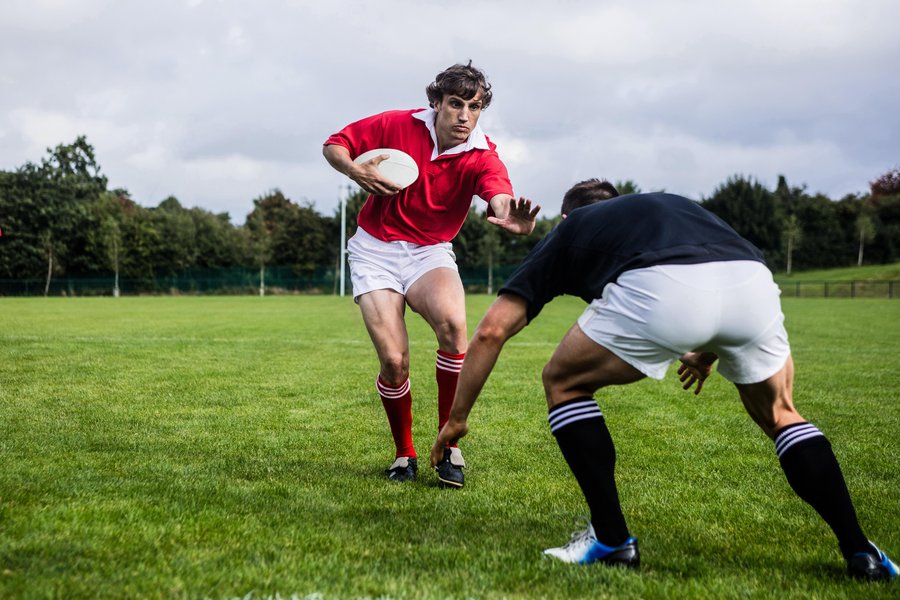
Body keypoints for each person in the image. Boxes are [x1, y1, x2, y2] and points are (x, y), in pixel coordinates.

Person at [430, 179, 897, 580]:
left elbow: (492, 331)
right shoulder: (670, 205)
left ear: (569, 214)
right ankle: (862, 551)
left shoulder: (573, 226)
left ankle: (611, 541)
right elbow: (713, 277)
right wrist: (707, 348)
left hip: (664, 287)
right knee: (781, 413)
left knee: (563, 381)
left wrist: (457, 421)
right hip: (750, 280)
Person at [323, 61, 540, 488]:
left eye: (474, 107)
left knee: (454, 327)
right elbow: (335, 144)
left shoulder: (481, 154)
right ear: (436, 103)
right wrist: (354, 169)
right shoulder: (397, 124)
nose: (464, 115)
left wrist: (509, 213)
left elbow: (498, 193)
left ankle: (448, 444)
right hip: (374, 251)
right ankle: (405, 454)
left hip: (429, 252)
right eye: (456, 104)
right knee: (394, 361)